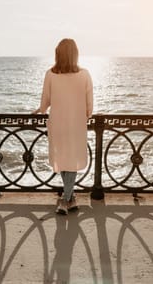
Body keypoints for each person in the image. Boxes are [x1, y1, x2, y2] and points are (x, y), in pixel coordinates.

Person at [33, 38, 93, 215]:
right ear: (75, 54)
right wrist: (87, 114)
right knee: (71, 160)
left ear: (58, 54)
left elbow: (46, 100)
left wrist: (40, 109)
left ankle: (66, 200)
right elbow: (89, 104)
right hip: (76, 123)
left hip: (58, 122)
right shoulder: (85, 74)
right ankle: (69, 199)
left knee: (63, 158)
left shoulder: (50, 74)